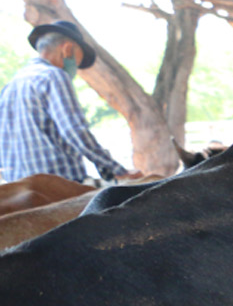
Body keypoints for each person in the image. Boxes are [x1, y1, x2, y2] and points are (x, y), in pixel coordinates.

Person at [0, 20, 138, 183]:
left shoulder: (10, 86)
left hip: (20, 187)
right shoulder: (53, 76)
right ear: (67, 49)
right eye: (77, 62)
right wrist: (118, 171)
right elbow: (74, 131)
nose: (75, 69)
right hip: (57, 187)